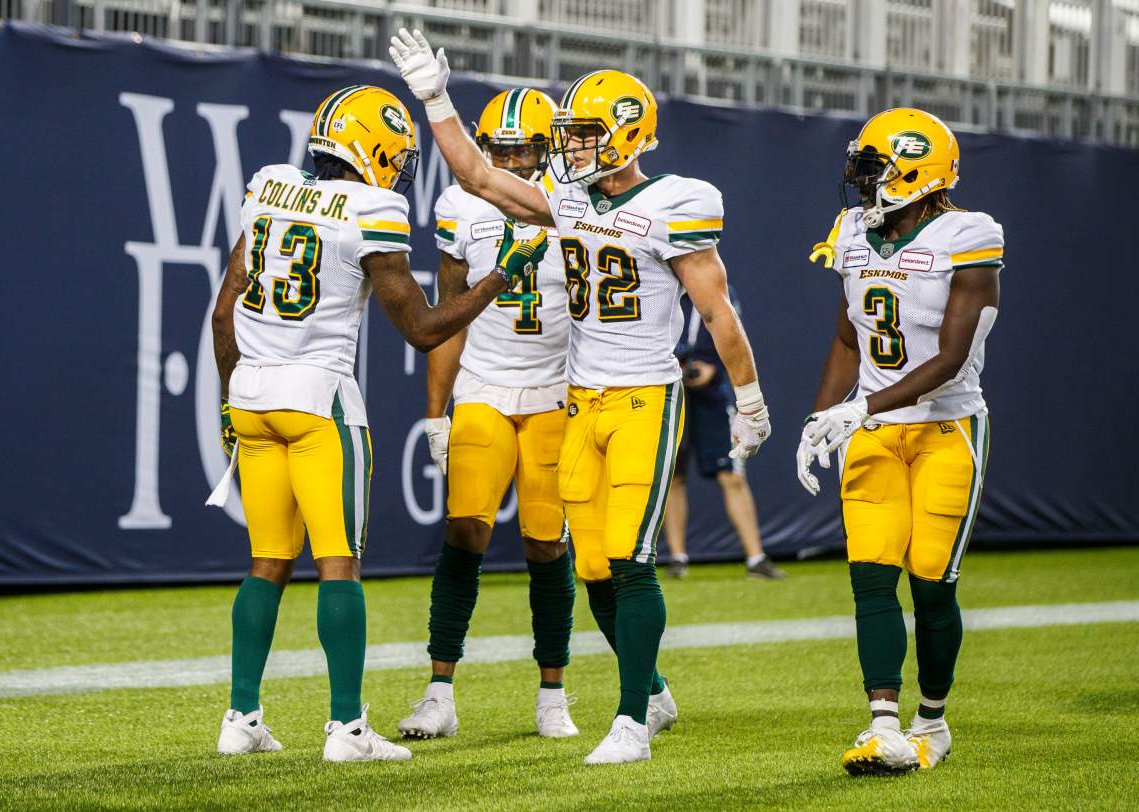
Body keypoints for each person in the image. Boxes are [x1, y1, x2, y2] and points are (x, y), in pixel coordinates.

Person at [389, 30, 771, 764]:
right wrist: (436, 100)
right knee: (592, 568)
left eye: (590, 133)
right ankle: (653, 692)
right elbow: (478, 177)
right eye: (573, 133)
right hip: (580, 402)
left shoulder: (678, 202)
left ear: (630, 133)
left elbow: (720, 312)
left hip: (642, 397)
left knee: (628, 560)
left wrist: (749, 399)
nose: (576, 146)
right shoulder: (564, 200)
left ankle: (630, 721)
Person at [208, 84, 548, 763]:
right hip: (317, 399)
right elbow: (423, 329)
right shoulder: (373, 207)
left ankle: (240, 717)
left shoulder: (269, 187)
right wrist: (496, 280)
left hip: (249, 394)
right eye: (395, 153)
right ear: (375, 149)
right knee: (339, 564)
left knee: (266, 563)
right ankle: (347, 730)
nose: (400, 167)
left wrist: (227, 401)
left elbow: (224, 312)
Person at [798, 108, 1002, 775]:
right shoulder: (853, 232)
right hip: (875, 430)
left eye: (874, 169)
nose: (862, 184)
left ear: (916, 171)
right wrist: (820, 416)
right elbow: (843, 337)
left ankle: (932, 722)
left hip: (946, 429)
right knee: (871, 578)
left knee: (931, 584)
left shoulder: (968, 235)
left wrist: (861, 408)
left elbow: (950, 356)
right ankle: (884, 724)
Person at [397, 88, 578, 740]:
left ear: (549, 147)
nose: (514, 160)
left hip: (556, 393)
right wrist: (435, 413)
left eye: (526, 148)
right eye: (502, 150)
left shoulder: (573, 201)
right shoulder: (458, 205)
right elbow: (448, 314)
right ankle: (439, 692)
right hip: (484, 387)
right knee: (464, 530)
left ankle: (552, 692)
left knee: (544, 540)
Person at [663, 293, 786, 580]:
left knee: (732, 475)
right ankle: (677, 558)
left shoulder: (714, 285)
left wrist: (712, 366)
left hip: (713, 397)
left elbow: (729, 331)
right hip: (669, 391)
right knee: (673, 476)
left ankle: (756, 557)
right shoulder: (662, 284)